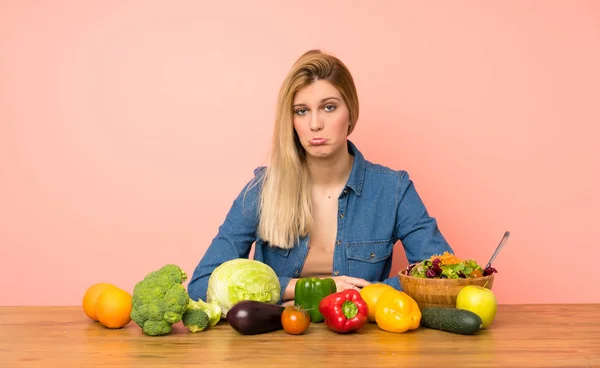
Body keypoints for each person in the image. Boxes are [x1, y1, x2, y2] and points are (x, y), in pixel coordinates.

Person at [188, 49, 453, 305]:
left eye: (328, 107)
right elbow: (201, 285)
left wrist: (366, 294)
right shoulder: (264, 190)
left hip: (361, 342)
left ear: (350, 112)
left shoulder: (393, 190)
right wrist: (303, 288)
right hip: (278, 343)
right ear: (290, 121)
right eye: (301, 111)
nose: (315, 124)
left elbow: (442, 276)